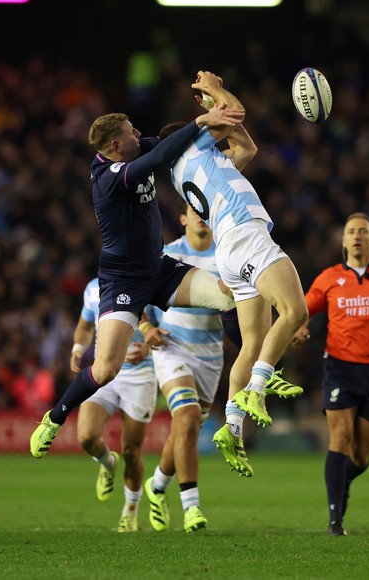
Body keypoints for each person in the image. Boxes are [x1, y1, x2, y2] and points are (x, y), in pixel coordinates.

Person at [28, 101, 244, 458]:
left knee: (228, 295)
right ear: (115, 147)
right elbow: (158, 158)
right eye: (131, 132)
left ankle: (255, 374)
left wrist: (215, 123)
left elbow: (167, 142)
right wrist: (202, 121)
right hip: (123, 281)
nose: (138, 135)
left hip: (158, 269)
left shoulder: (132, 150)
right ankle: (53, 418)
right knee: (106, 368)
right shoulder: (109, 179)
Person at [167, 70, 308, 475]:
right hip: (246, 233)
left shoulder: (200, 167)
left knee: (253, 343)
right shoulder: (193, 149)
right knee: (295, 313)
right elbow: (236, 111)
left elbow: (246, 144)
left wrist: (217, 110)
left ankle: (231, 426)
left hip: (228, 249)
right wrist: (213, 90)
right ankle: (258, 390)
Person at [296, 213, 369, 536]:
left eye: (363, 231)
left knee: (361, 457)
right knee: (340, 438)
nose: (357, 236)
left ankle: (340, 484)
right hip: (339, 366)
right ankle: (335, 520)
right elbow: (303, 309)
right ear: (344, 240)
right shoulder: (329, 278)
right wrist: (299, 328)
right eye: (351, 231)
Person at [138, 202, 223, 533]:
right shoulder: (167, 254)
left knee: (183, 431)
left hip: (211, 356)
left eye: (207, 210)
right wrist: (147, 330)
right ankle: (192, 507)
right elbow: (138, 296)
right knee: (186, 419)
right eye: (195, 210)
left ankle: (157, 486)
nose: (202, 216)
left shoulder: (227, 255)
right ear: (184, 218)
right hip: (171, 348)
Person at [72, 277, 157, 532]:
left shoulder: (151, 283)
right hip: (104, 372)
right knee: (86, 436)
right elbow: (85, 325)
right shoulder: (92, 288)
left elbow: (166, 329)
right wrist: (78, 347)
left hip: (139, 376)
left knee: (131, 452)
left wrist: (148, 349)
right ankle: (108, 463)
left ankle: (130, 511)